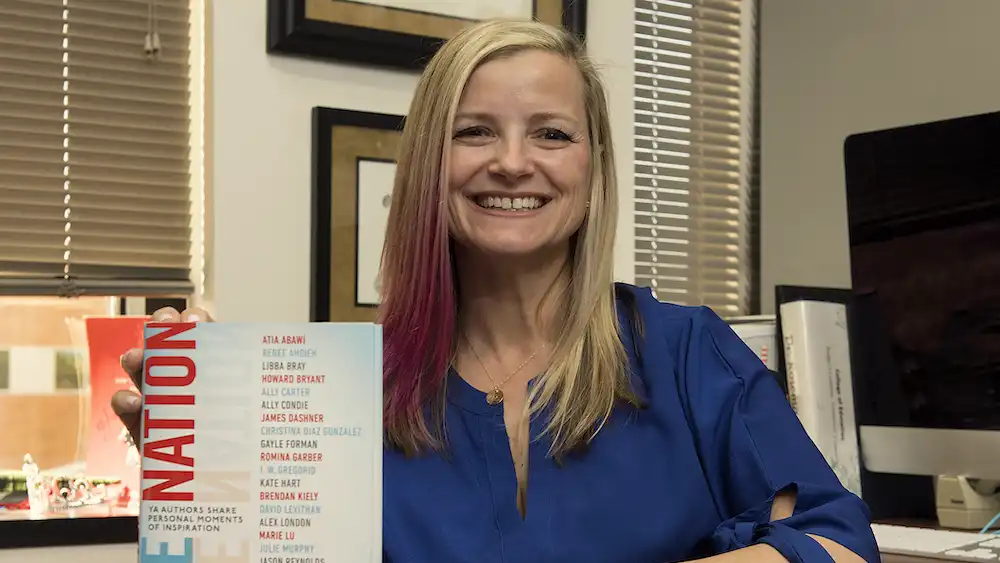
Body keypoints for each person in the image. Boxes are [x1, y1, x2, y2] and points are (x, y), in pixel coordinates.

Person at [112, 19, 880, 563]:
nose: (513, 163)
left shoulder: (686, 354)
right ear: (426, 162)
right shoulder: (335, 393)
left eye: (551, 133)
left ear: (593, 164)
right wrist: (204, 474)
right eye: (474, 131)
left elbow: (836, 540)